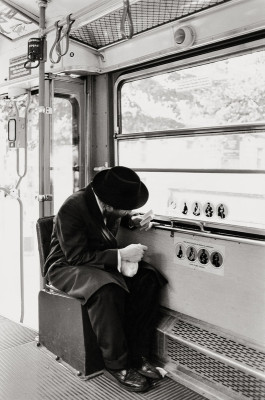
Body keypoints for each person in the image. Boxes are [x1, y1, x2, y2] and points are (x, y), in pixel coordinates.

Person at [44, 166, 167, 393]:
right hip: (66, 266)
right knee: (106, 289)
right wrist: (121, 255)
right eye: (127, 208)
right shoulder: (72, 207)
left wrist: (133, 220)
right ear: (110, 203)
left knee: (148, 278)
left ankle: (138, 354)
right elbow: (76, 256)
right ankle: (117, 365)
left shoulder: (108, 202)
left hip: (97, 262)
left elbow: (112, 218)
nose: (128, 210)